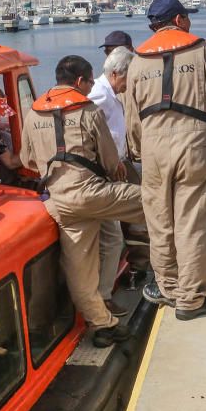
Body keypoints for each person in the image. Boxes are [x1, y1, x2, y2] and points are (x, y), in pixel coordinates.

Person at [127, 0, 206, 320]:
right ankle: (192, 299)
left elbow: (132, 122)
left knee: (160, 223)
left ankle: (168, 288)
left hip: (153, 151)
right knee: (192, 222)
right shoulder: (201, 50)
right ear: (179, 20)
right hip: (192, 144)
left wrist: (140, 152)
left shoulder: (137, 60)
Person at [20, 55, 146, 348]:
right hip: (93, 193)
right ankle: (174, 275)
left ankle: (103, 326)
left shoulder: (33, 112)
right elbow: (112, 162)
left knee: (80, 269)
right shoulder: (88, 110)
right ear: (80, 82)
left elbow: (27, 159)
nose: (91, 88)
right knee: (160, 201)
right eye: (90, 82)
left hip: (60, 202)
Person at [89, 46, 135, 316]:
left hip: (114, 169)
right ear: (117, 74)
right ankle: (103, 297)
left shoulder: (111, 93)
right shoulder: (99, 94)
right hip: (104, 173)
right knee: (112, 237)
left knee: (115, 236)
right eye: (128, 78)